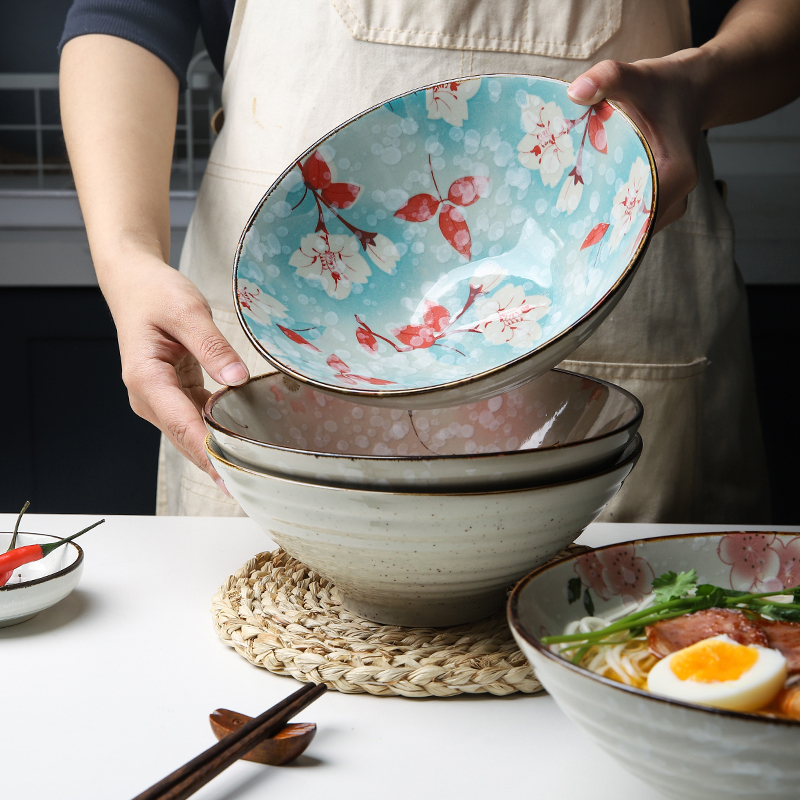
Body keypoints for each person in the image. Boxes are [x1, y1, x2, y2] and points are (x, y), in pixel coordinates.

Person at [59, 0, 800, 521]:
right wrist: (125, 258)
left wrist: (702, 81)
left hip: (630, 315)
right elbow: (125, 13)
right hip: (278, 342)